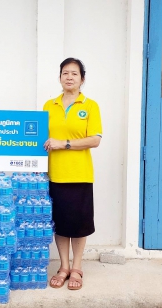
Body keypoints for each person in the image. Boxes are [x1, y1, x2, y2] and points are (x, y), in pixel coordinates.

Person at [43, 58, 102, 290]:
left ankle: (77, 267)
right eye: (65, 73)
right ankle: (63, 266)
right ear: (59, 77)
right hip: (56, 174)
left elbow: (95, 140)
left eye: (74, 74)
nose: (69, 77)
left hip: (80, 174)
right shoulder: (49, 105)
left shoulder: (90, 105)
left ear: (82, 79)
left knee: (79, 224)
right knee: (60, 223)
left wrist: (64, 143)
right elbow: (40, 138)